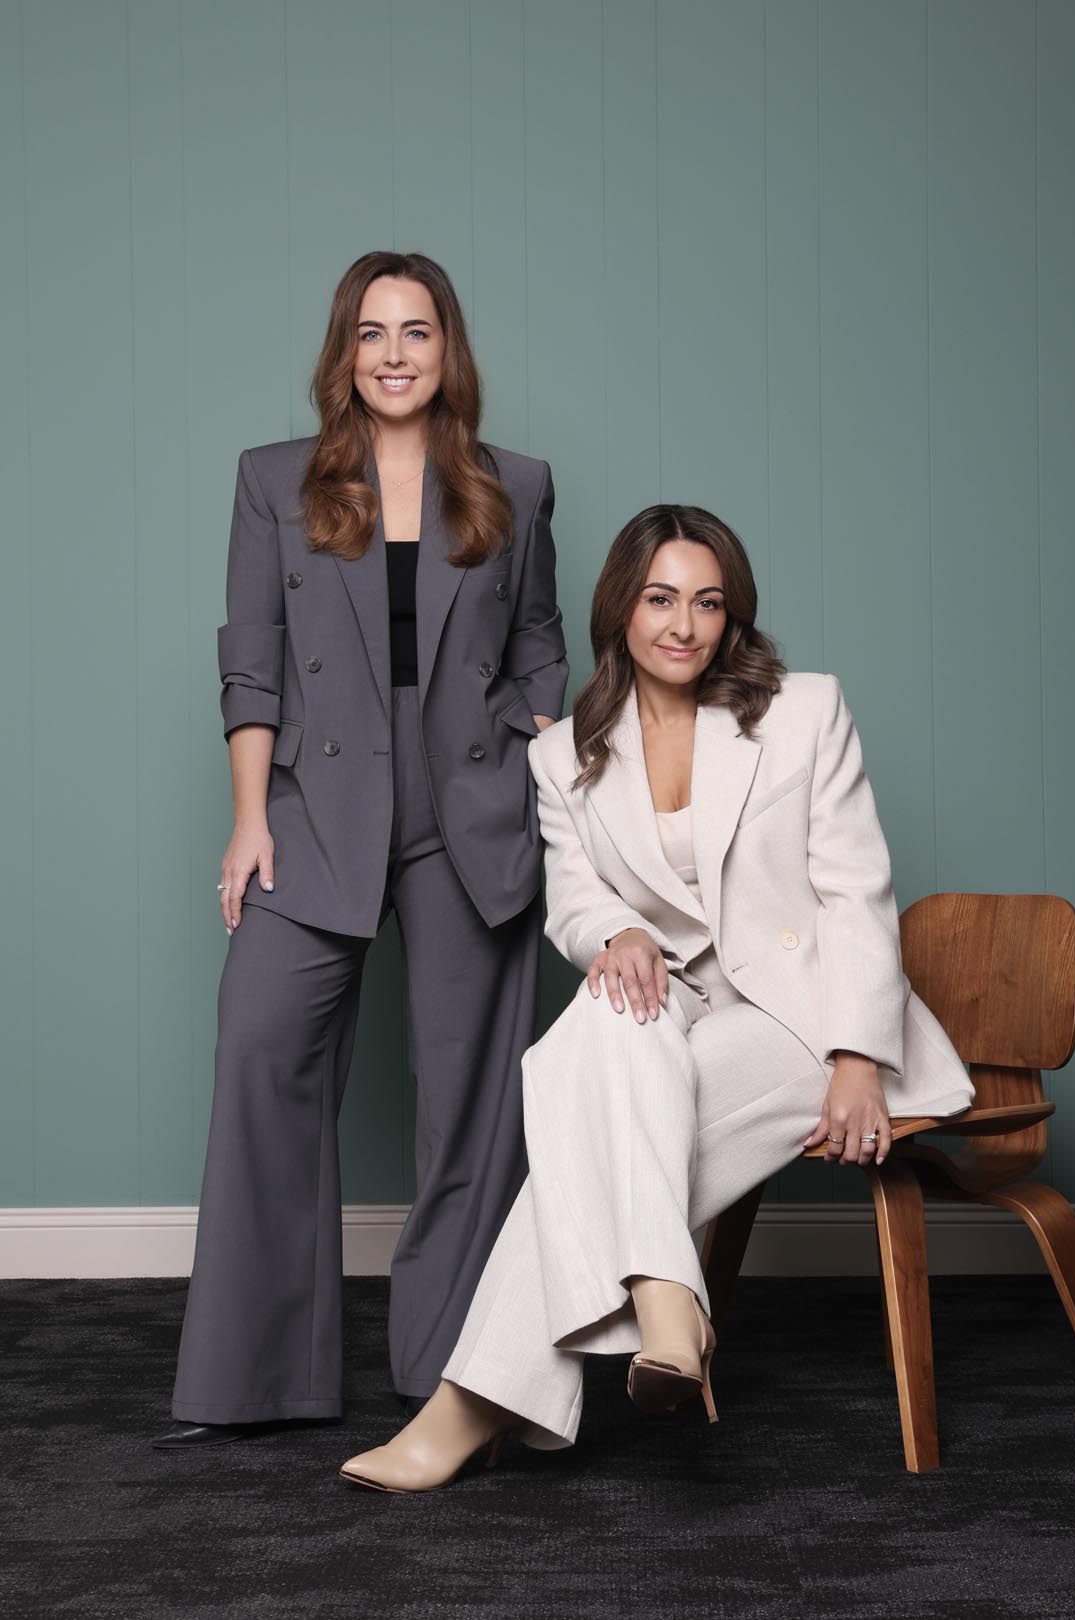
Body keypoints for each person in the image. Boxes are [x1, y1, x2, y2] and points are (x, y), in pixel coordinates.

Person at [337, 503, 974, 1490]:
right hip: (673, 1007)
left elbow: (856, 888)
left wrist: (859, 1060)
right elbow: (577, 899)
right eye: (661, 598)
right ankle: (667, 1296)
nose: (684, 625)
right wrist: (614, 933)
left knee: (578, 1153)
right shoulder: (562, 756)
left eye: (708, 603)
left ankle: (471, 1407)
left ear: (733, 617)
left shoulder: (804, 710)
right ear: (620, 610)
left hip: (807, 1022)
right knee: (608, 1010)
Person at [153, 251, 567, 1449]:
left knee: (471, 1102)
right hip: (316, 804)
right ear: (342, 353)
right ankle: (258, 1373)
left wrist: (543, 752)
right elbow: (252, 659)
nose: (393, 353)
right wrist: (249, 817)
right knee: (261, 1052)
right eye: (371, 333)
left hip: (468, 807)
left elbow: (538, 640)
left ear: (450, 351)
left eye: (417, 332)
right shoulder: (273, 481)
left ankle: (456, 1371)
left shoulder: (518, 485)